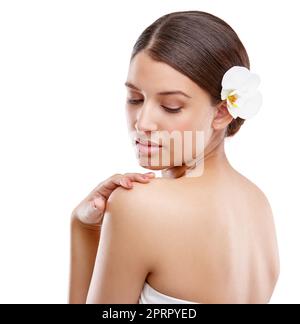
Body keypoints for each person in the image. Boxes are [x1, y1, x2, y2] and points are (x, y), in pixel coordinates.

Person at [68, 10, 280, 304]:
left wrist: (82, 229)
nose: (142, 123)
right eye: (135, 99)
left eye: (170, 106)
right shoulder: (258, 204)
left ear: (222, 112)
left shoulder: (138, 204)